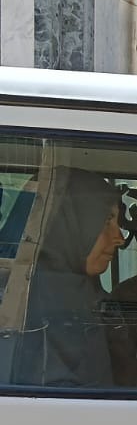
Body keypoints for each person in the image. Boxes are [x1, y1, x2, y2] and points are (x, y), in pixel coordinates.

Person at [12, 167, 124, 389]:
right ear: (65, 225)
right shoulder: (38, 306)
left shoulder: (81, 291)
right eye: (106, 221)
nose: (119, 238)